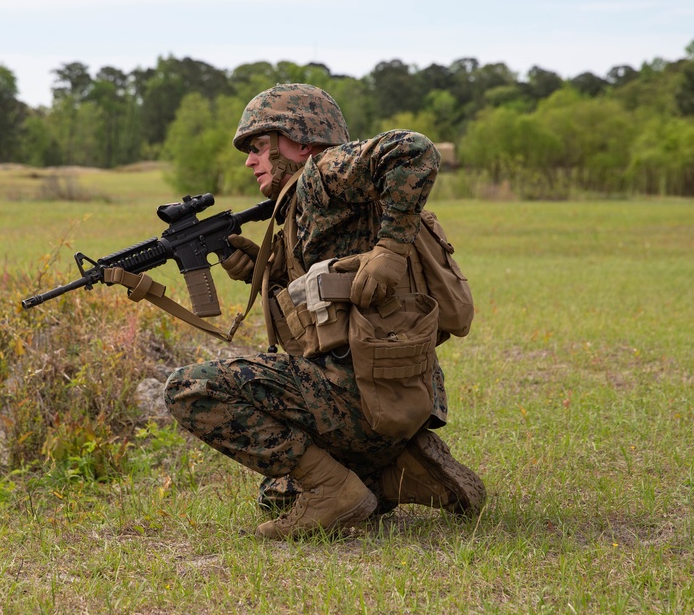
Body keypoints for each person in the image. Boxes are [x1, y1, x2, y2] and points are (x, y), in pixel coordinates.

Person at [164, 83, 485, 540]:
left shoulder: (320, 173)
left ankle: (336, 489)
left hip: (358, 396)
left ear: (298, 142)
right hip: (400, 396)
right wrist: (264, 271)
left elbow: (413, 149)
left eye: (258, 146)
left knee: (188, 387)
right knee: (277, 493)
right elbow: (327, 295)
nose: (250, 161)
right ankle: (399, 466)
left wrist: (391, 250)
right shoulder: (318, 200)